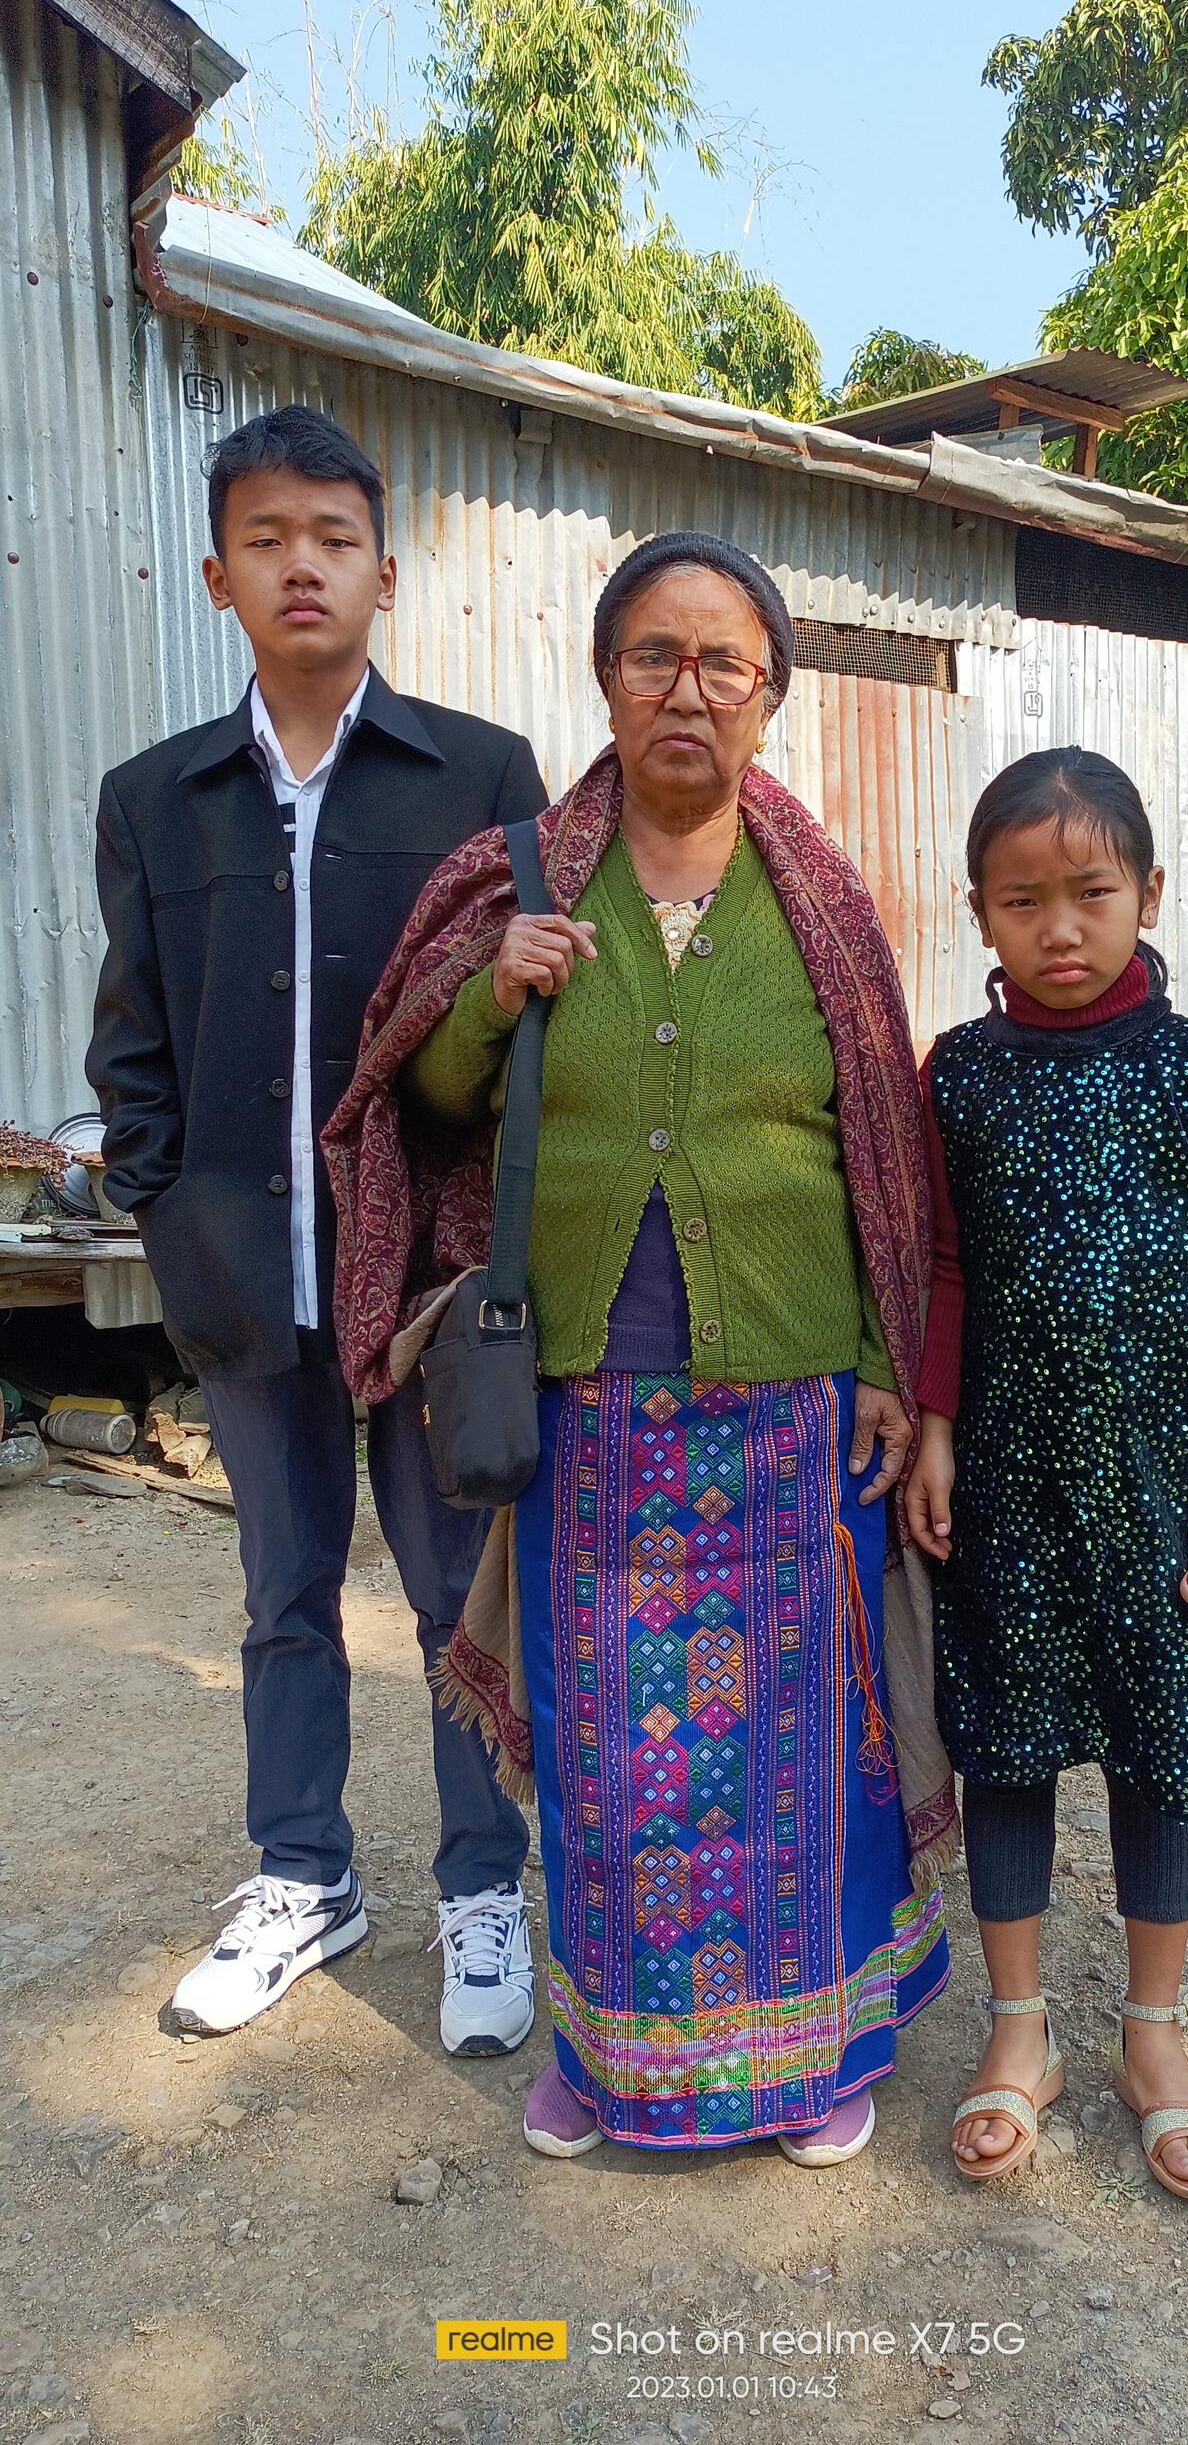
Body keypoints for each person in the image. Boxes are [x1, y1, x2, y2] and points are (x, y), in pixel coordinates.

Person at [324, 529, 955, 2165]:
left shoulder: (822, 905)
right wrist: (490, 998)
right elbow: (420, 1104)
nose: (688, 688)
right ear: (606, 681)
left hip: (790, 1399)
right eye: (654, 656)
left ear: (769, 693)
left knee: (804, 1757)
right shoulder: (521, 874)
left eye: (723, 660)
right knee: (611, 1757)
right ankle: (605, 2062)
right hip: (585, 1402)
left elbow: (883, 1155)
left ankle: (810, 2065)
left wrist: (885, 1361)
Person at [87, 405, 547, 2052]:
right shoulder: (157, 799)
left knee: (452, 1599)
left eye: (335, 539)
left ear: (384, 575)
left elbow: (525, 1031)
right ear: (219, 575)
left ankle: (483, 1893)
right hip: (245, 1271)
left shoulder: (482, 777)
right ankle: (303, 1876)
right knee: (283, 1592)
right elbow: (133, 1040)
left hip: (422, 1281)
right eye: (268, 539)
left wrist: (499, 1248)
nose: (304, 566)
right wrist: (166, 1205)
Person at [904, 746, 1188, 2201]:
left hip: (1164, 1484)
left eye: (1091, 892)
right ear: (979, 913)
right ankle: (1020, 2033)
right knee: (1006, 1742)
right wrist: (935, 1425)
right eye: (1022, 902)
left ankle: (1152, 2035)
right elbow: (946, 1268)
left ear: (1150, 892)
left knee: (1158, 1744)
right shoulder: (959, 1075)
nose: (1059, 929)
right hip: (1006, 1481)